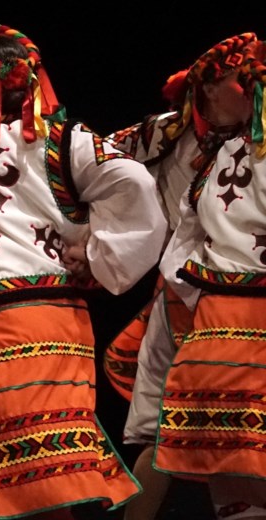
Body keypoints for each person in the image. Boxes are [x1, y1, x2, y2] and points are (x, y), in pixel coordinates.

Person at [0, 21, 166, 519]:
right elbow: (135, 185)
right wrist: (95, 250)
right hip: (61, 327)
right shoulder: (64, 140)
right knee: (37, 479)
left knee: (28, 485)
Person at [101, 32, 256, 520]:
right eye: (240, 81)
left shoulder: (256, 134)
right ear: (209, 87)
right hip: (181, 291)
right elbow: (89, 167)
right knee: (159, 433)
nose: (252, 90)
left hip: (233, 295)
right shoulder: (163, 132)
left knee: (234, 434)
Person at [154, 38, 266, 520]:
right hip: (223, 317)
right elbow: (186, 234)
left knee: (237, 450)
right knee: (232, 454)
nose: (202, 106)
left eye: (212, 90)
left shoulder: (237, 150)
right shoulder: (219, 151)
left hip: (235, 318)